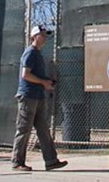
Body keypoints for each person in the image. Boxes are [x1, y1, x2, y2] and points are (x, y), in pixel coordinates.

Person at [11, 25, 67, 172]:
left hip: (38, 96)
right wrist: (43, 82)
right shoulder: (30, 53)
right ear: (34, 37)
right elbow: (26, 75)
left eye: (45, 35)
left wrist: (47, 82)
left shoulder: (38, 54)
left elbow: (36, 75)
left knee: (43, 130)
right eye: (42, 34)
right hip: (28, 96)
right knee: (24, 130)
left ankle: (51, 161)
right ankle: (17, 162)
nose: (45, 37)